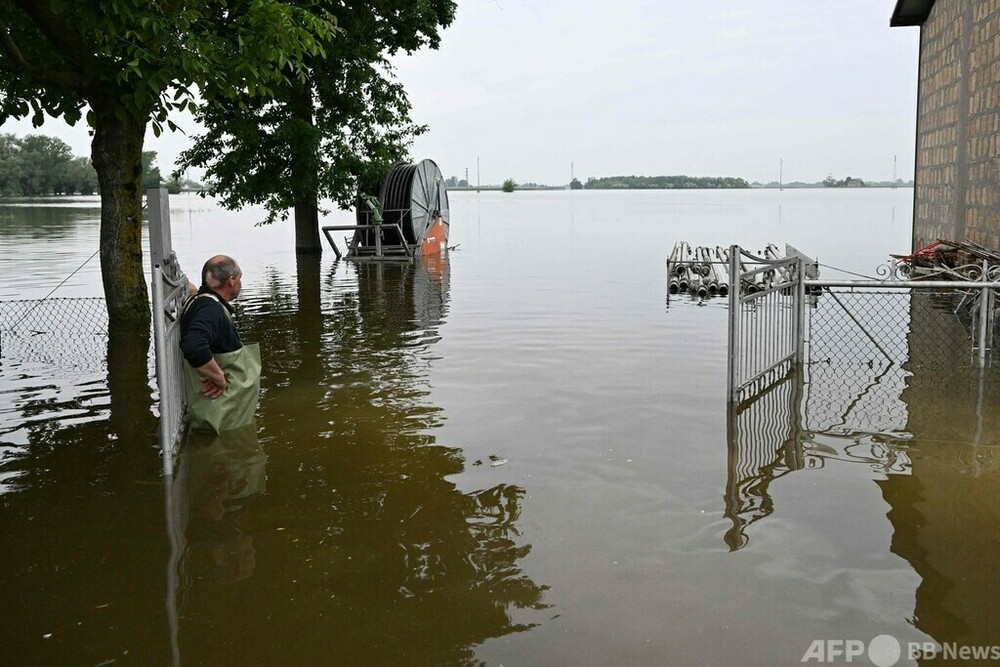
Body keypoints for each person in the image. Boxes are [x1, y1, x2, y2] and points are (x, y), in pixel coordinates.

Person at [179, 255, 261, 433]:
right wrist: (219, 378)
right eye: (239, 277)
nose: (240, 282)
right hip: (223, 420)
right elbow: (193, 345)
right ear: (231, 281)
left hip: (223, 415)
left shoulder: (200, 300)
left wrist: (190, 288)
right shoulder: (211, 310)